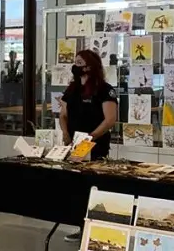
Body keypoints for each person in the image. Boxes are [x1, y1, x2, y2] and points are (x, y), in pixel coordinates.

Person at [59, 49, 118, 243]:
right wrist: (65, 133)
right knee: (77, 188)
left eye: (79, 62)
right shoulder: (72, 89)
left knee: (95, 188)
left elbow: (110, 120)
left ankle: (98, 230)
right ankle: (81, 227)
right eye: (74, 62)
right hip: (74, 145)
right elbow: (63, 115)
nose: (76, 66)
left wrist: (90, 138)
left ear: (90, 66)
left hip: (96, 145)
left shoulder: (104, 89)